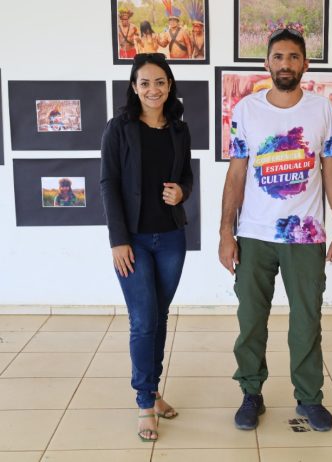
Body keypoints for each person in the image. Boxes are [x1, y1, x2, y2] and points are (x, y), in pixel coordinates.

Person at [219, 27, 332, 433]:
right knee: (251, 320)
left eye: (293, 57)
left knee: (306, 321)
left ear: (305, 64)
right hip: (254, 234)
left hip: (305, 235)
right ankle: (250, 393)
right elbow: (236, 174)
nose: (285, 64)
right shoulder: (246, 110)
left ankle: (309, 398)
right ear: (267, 63)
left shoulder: (322, 110)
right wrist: (225, 233)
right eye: (278, 57)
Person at [100, 52, 193, 442]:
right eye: (145, 83)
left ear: (169, 85)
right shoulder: (119, 128)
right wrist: (118, 240)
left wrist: (181, 192)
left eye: (159, 82)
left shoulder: (179, 129)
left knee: (160, 315)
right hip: (134, 240)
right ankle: (143, 402)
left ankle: (153, 392)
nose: (153, 89)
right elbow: (108, 183)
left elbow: (186, 175)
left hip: (171, 238)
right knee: (143, 320)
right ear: (134, 87)